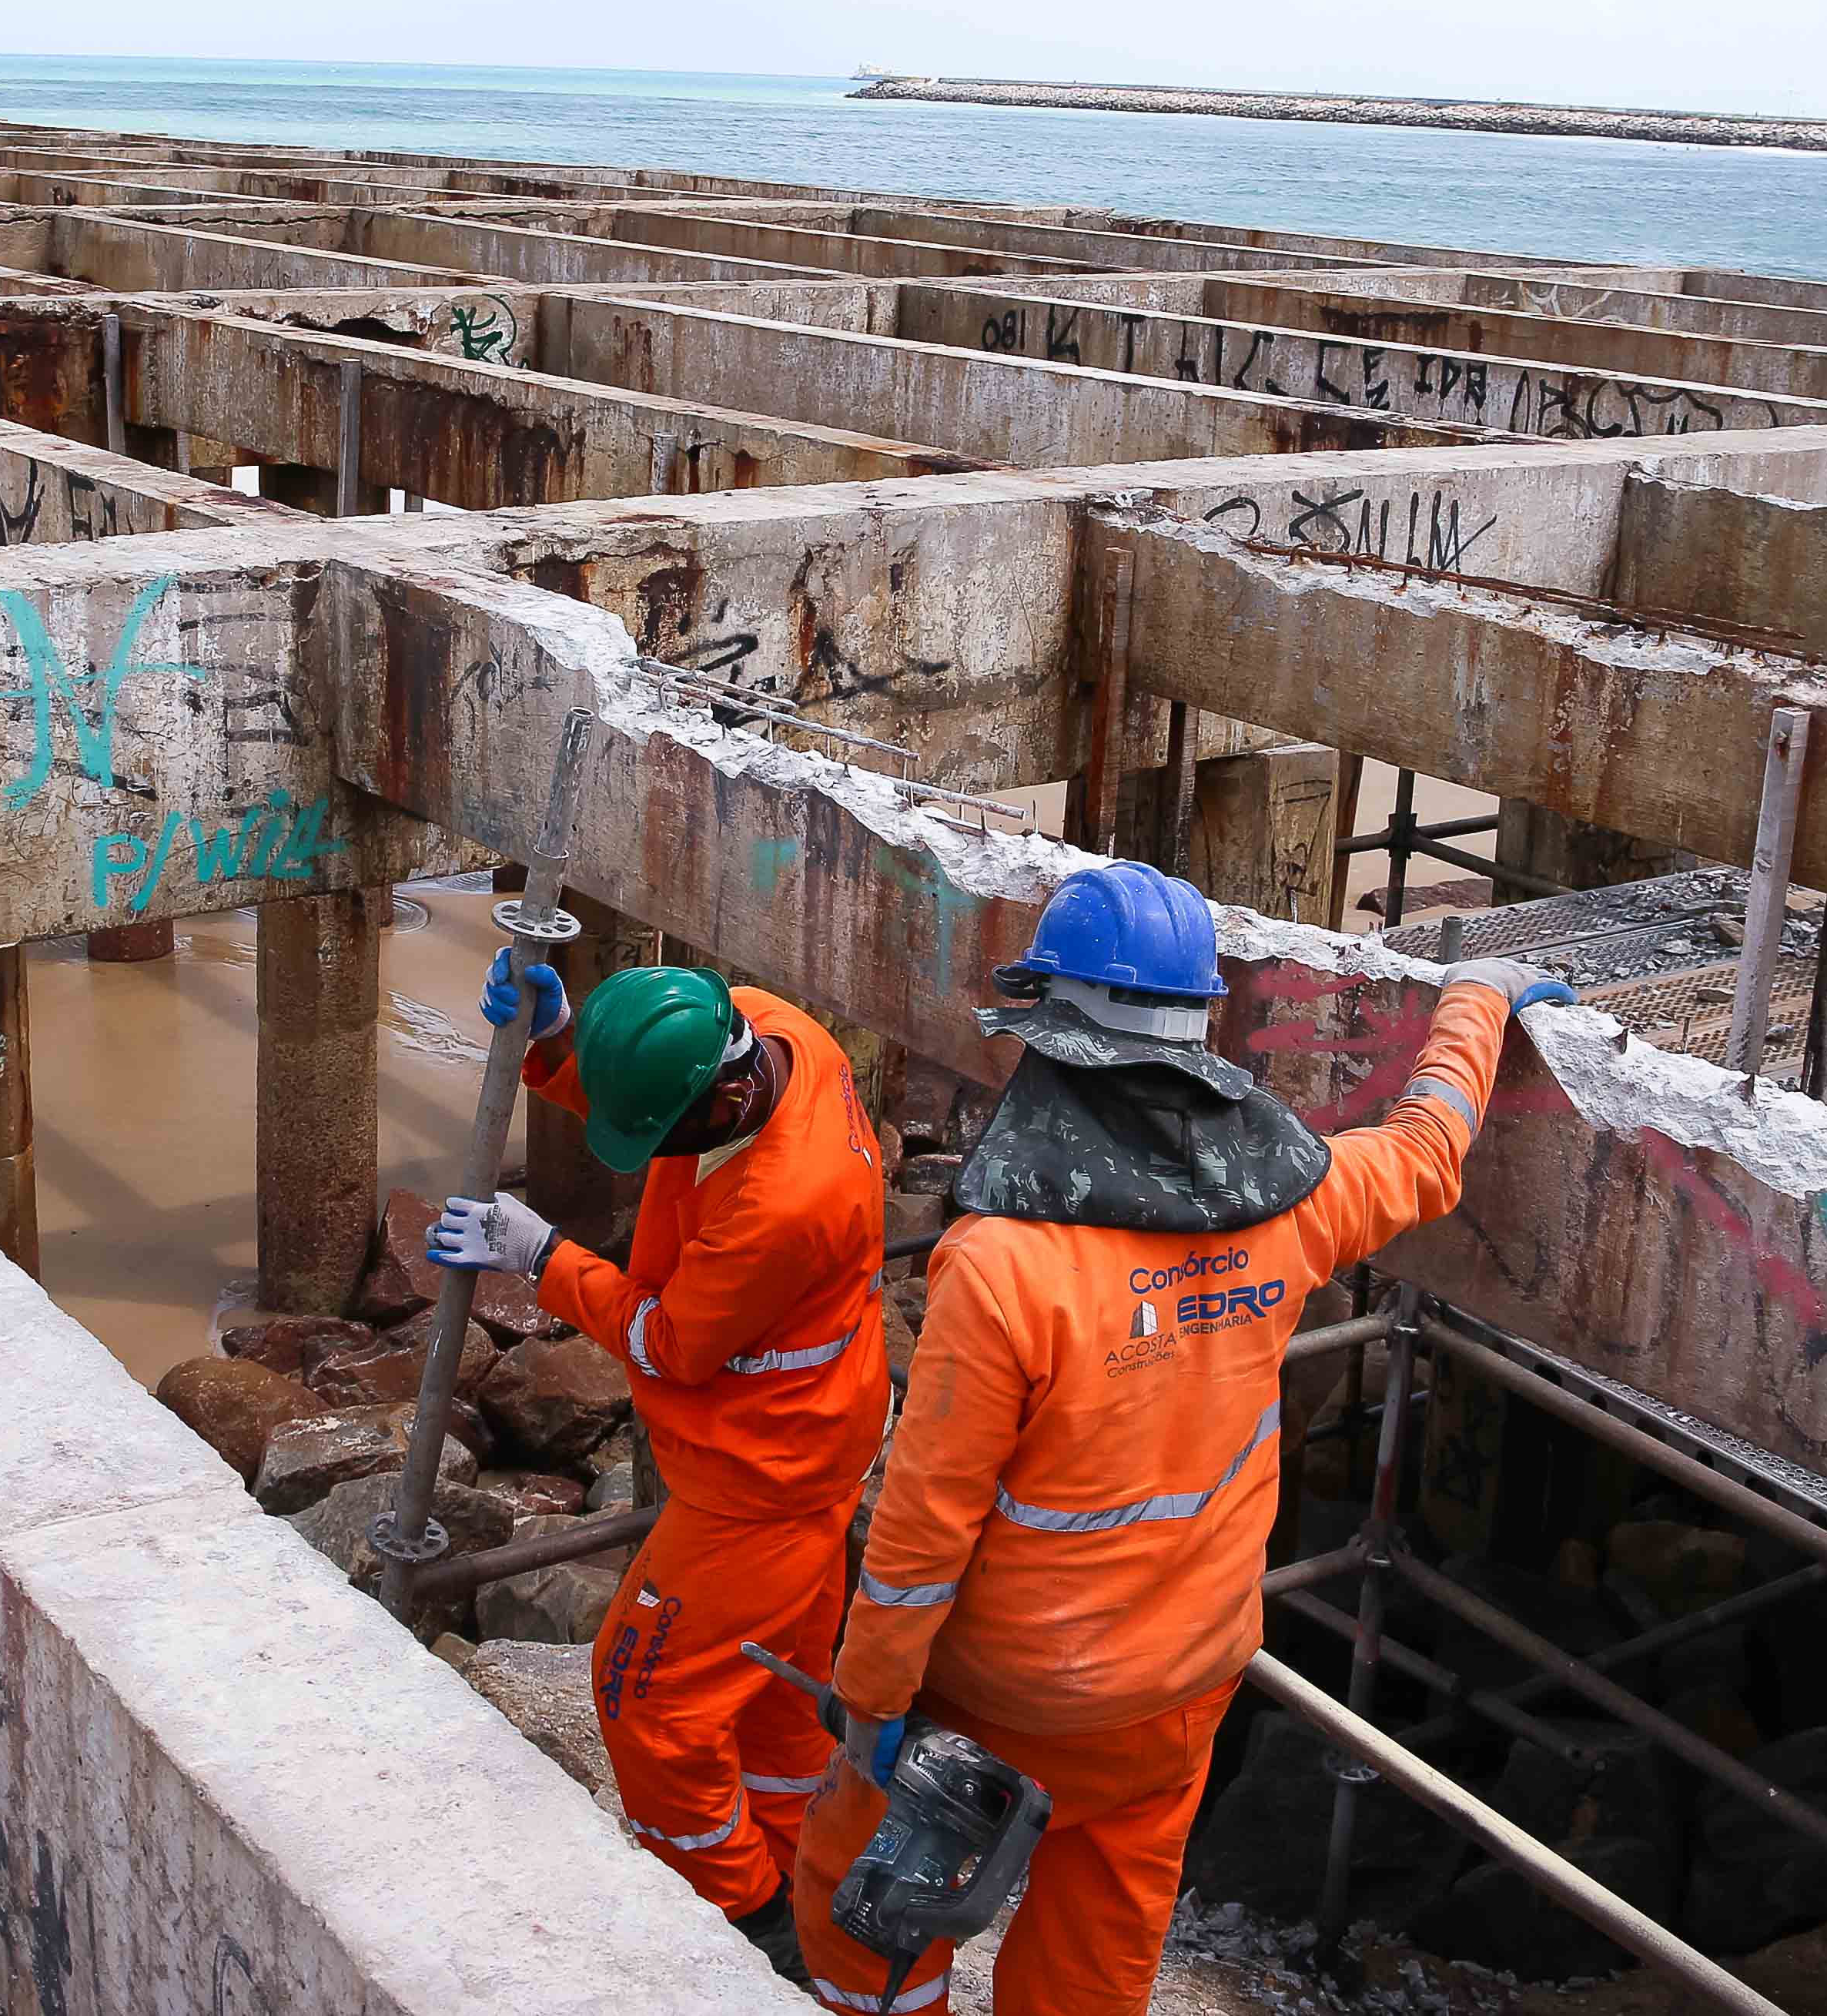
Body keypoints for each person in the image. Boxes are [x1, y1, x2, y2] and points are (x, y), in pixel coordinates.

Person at [788, 861, 1567, 2016]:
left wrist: (873, 1701)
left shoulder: (1002, 1268)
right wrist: (1477, 1002)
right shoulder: (1293, 1207)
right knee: (1098, 1956)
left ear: (1052, 1036)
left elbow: (922, 1529)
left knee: (862, 1910)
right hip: (1181, 1689)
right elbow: (1426, 1148)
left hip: (1008, 1699)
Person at [428, 959, 890, 1983]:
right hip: (816, 1440)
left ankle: (747, 1919)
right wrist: (563, 1041)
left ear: (726, 1101)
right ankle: (808, 1880)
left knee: (647, 1702)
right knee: (775, 1706)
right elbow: (653, 1090)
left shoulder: (785, 1201)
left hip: (761, 1480)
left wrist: (543, 1257)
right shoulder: (767, 1027)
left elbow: (669, 1341)